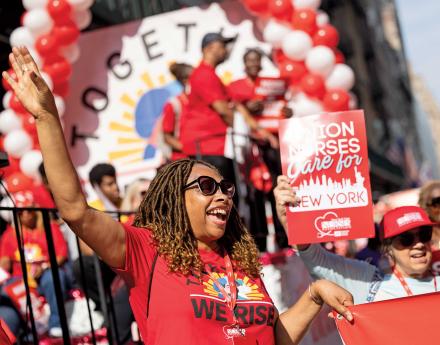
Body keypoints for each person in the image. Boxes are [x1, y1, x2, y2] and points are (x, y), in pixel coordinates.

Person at [3, 46, 355, 344]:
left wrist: (315, 294)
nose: (223, 196)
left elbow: (273, 336)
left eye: (225, 188)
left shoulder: (241, 260)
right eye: (206, 187)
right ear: (175, 200)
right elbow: (75, 210)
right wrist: (47, 117)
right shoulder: (145, 250)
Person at [274, 175, 440, 304]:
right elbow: (317, 259)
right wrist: (291, 222)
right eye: (406, 239)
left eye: (424, 235)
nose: (418, 244)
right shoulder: (369, 284)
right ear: (388, 247)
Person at [181, 33, 276, 187]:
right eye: (222, 46)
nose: (225, 50)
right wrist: (249, 134)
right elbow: (224, 110)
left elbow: (236, 106)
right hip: (209, 146)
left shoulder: (210, 75)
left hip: (216, 146)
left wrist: (259, 130)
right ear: (209, 48)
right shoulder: (204, 74)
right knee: (224, 195)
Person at [228, 48, 292, 251]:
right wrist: (247, 107)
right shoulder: (235, 87)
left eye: (257, 60)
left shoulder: (271, 85)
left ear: (261, 63)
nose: (253, 64)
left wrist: (287, 112)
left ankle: (284, 238)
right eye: (249, 60)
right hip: (249, 145)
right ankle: (260, 243)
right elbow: (232, 110)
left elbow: (281, 107)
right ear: (244, 63)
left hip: (272, 143)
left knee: (277, 188)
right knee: (254, 193)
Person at [0, 190, 70, 338]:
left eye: (29, 210)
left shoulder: (50, 228)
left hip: (46, 273)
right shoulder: (9, 235)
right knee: (7, 290)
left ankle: (56, 324)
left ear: (35, 210)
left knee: (52, 278)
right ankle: (25, 332)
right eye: (20, 212)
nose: (25, 214)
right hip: (20, 280)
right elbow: (4, 264)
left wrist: (44, 267)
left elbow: (61, 255)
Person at [161, 63, 193, 161]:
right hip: (183, 162)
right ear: (185, 80)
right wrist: (189, 149)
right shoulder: (174, 104)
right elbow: (167, 136)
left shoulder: (202, 101)